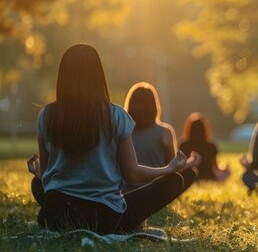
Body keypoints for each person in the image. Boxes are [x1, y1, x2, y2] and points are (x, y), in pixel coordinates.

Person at [26, 44, 199, 234]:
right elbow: (132, 174)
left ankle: (72, 220)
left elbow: (49, 173)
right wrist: (168, 169)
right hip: (105, 218)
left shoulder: (46, 115)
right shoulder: (115, 115)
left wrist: (38, 172)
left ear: (63, 76)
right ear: (98, 76)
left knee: (37, 184)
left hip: (56, 215)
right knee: (173, 180)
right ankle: (125, 225)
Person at [123, 82, 178, 190]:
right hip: (156, 190)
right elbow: (173, 167)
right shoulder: (165, 132)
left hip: (127, 192)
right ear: (154, 106)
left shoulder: (122, 132)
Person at [179, 112, 230, 182]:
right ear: (204, 129)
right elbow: (216, 167)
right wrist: (225, 168)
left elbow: (180, 166)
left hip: (190, 177)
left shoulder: (183, 145)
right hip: (209, 176)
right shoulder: (211, 146)